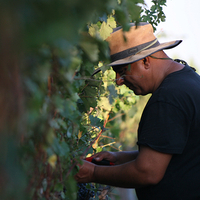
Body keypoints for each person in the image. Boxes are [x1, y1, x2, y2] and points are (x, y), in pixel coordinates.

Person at [75, 22, 200, 199]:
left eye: (122, 71)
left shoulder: (167, 98)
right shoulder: (189, 81)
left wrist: (93, 172)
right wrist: (118, 158)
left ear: (145, 61)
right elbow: (175, 151)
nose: (118, 81)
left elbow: (147, 172)